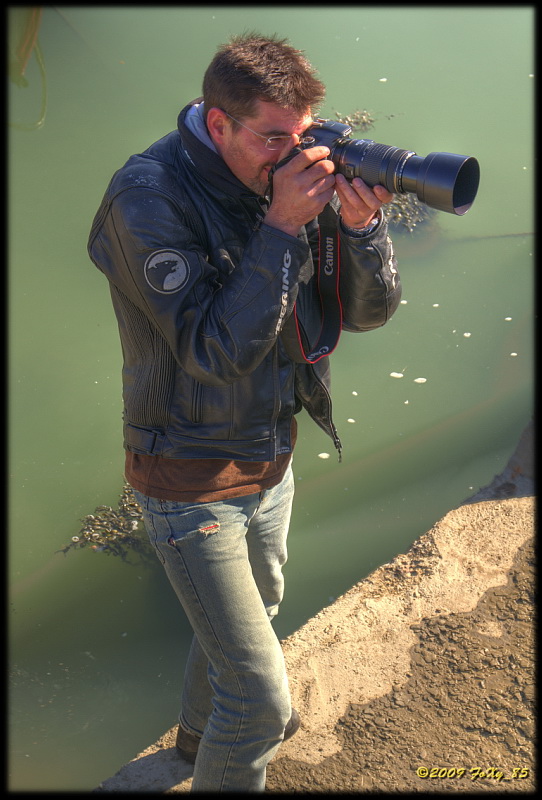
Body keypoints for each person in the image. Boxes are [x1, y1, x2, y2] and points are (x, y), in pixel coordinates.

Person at [88, 32, 401, 793]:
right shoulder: (148, 198)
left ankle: (197, 740)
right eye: (271, 139)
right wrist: (283, 225)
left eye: (300, 139)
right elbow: (214, 353)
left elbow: (365, 315)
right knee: (262, 704)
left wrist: (360, 230)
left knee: (259, 607)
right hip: (187, 478)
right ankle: (226, 738)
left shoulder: (277, 169)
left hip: (269, 450)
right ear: (216, 120)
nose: (291, 157)